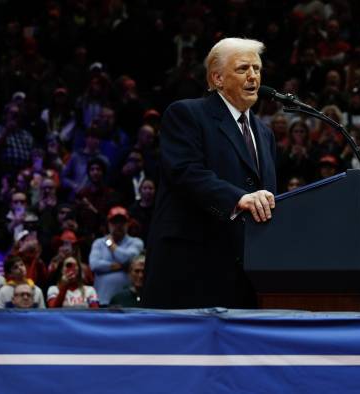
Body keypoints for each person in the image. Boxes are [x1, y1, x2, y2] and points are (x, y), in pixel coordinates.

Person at [143, 38, 277, 309]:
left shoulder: (264, 133)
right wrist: (238, 198)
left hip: (245, 276)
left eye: (257, 68)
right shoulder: (187, 114)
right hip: (192, 270)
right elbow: (185, 172)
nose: (253, 76)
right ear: (217, 78)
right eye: (242, 69)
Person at [89, 206, 143, 305]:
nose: (118, 225)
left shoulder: (136, 242)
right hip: (102, 300)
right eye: (115, 222)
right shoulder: (99, 243)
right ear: (108, 224)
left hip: (127, 300)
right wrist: (123, 266)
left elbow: (127, 258)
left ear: (128, 224)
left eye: (122, 222)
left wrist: (111, 245)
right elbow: (95, 265)